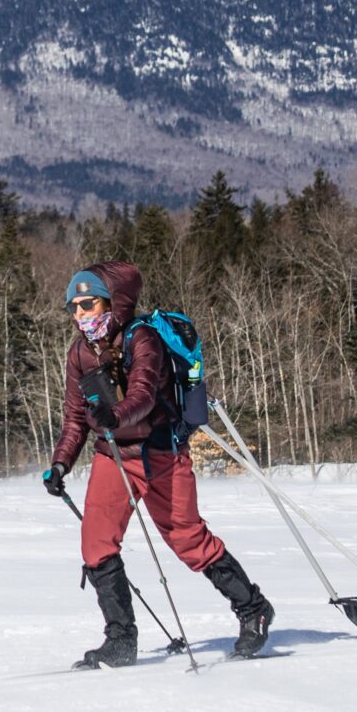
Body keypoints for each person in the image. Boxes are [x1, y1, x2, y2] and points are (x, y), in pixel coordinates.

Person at [41, 260, 273, 667]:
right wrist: (61, 465)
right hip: (113, 456)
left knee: (188, 541)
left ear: (113, 302)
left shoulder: (142, 338)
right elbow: (75, 418)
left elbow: (145, 395)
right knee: (96, 545)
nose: (80, 314)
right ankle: (120, 640)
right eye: (73, 307)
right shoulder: (80, 351)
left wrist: (116, 415)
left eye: (88, 304)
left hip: (160, 452)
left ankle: (253, 609)